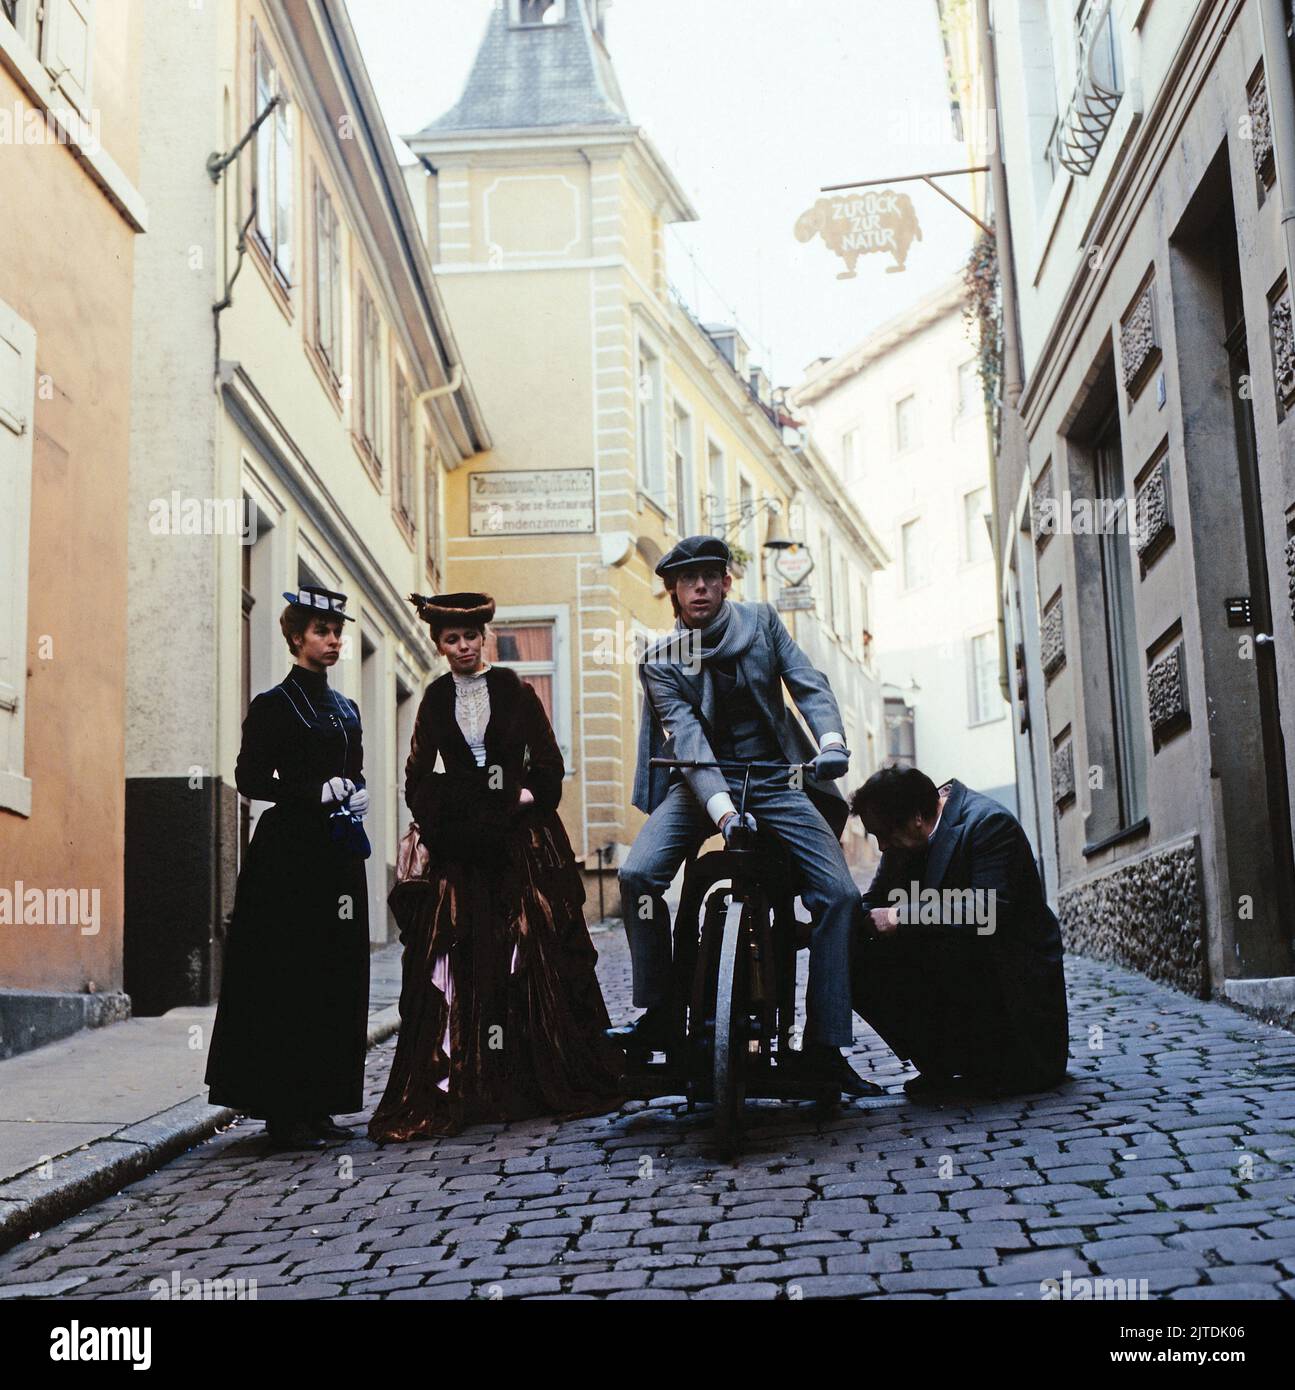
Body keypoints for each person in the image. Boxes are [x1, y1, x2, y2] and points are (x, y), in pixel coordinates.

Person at [611, 535, 881, 1097]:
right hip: (699, 780)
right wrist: (725, 813)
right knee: (638, 876)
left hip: (775, 775)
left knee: (839, 894)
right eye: (688, 581)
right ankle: (660, 1012)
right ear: (674, 593)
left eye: (711, 576)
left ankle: (825, 1047)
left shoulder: (761, 623)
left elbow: (809, 684)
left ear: (727, 581)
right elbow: (687, 741)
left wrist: (829, 741)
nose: (701, 588)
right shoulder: (662, 661)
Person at [368, 592, 623, 1141]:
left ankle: (528, 1082)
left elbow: (548, 767)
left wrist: (517, 799)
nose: (461, 647)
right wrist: (448, 815)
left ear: (485, 637)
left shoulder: (514, 691)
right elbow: (415, 778)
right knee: (463, 958)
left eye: (469, 637)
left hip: (520, 844)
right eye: (449, 640)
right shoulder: (435, 700)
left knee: (528, 953)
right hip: (463, 848)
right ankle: (471, 1086)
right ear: (438, 645)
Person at [205, 586, 372, 1150]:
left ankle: (323, 1102)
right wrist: (309, 792)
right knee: (289, 973)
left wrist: (358, 793)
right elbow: (251, 779)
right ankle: (285, 1111)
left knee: (336, 970)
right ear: (297, 637)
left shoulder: (347, 709)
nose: (333, 640)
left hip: (338, 853)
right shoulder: (273, 706)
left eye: (337, 632)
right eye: (322, 631)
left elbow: (356, 771)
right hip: (289, 858)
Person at [850, 765, 1069, 1098]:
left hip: (1008, 979)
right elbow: (874, 902)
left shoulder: (988, 823)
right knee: (853, 955)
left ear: (916, 818)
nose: (881, 847)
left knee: (943, 943)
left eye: (884, 834)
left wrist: (899, 916)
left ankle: (984, 1063)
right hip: (956, 966)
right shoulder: (902, 841)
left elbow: (987, 909)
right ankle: (943, 1064)